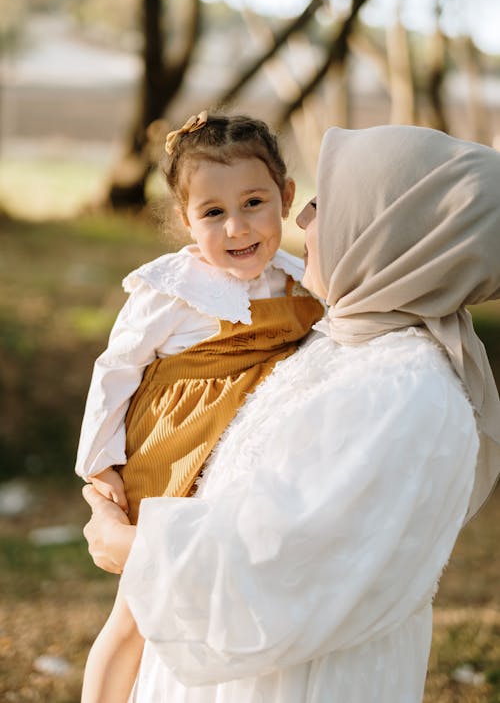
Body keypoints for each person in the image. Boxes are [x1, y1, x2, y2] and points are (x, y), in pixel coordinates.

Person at [82, 124, 500, 703]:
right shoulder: (346, 340)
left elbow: (289, 555)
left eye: (322, 204)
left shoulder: (402, 388)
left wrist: (129, 545)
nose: (301, 221)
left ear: (387, 232)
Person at [75, 111, 324, 703]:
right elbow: (115, 370)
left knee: (204, 605)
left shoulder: (302, 282)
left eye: (254, 202)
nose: (237, 227)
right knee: (137, 612)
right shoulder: (172, 288)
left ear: (286, 198)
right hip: (172, 455)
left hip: (242, 463)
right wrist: (100, 462)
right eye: (213, 213)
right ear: (186, 220)